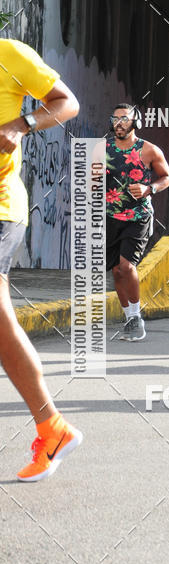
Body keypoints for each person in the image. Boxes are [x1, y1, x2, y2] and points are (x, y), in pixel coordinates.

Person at [0, 39, 81, 482]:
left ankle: (53, 427)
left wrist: (22, 124)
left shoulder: (9, 54)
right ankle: (53, 428)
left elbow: (66, 102)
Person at [106, 104, 169, 341]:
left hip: (138, 216)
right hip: (110, 217)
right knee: (115, 271)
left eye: (124, 119)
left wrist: (149, 188)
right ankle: (129, 318)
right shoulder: (101, 149)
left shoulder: (149, 150)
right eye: (115, 119)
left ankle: (136, 318)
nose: (119, 123)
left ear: (136, 122)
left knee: (126, 267)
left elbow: (167, 177)